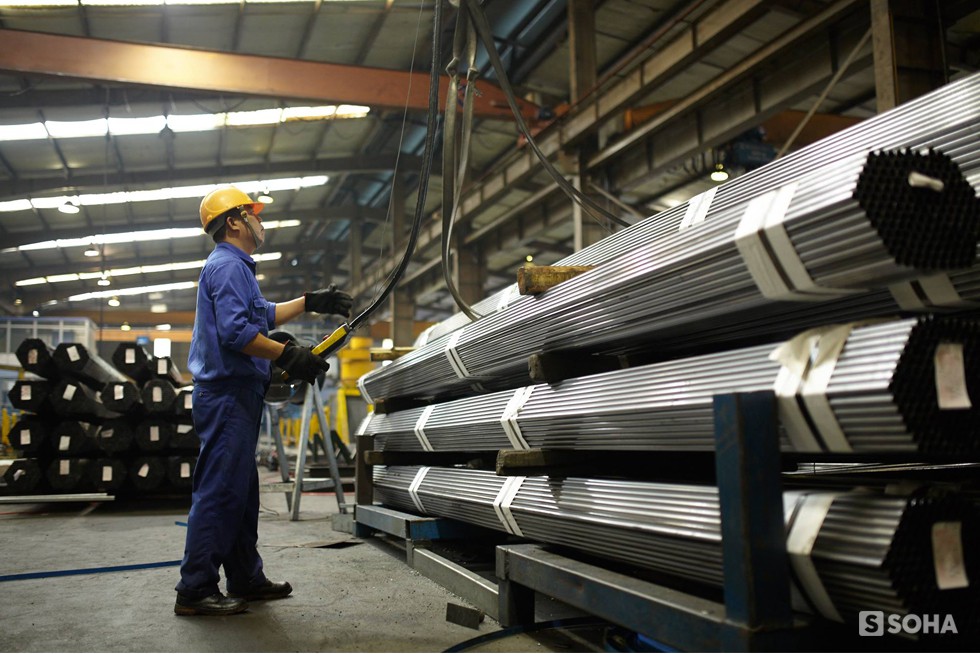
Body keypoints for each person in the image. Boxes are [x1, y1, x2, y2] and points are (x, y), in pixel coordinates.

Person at [174, 186, 354, 616]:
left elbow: (263, 314)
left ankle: (245, 577)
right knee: (220, 492)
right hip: (226, 395)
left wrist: (310, 302)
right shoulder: (227, 267)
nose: (260, 221)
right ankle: (195, 588)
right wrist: (288, 354)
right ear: (234, 222)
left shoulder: (235, 267)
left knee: (241, 493)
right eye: (253, 213)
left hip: (237, 394)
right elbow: (237, 333)